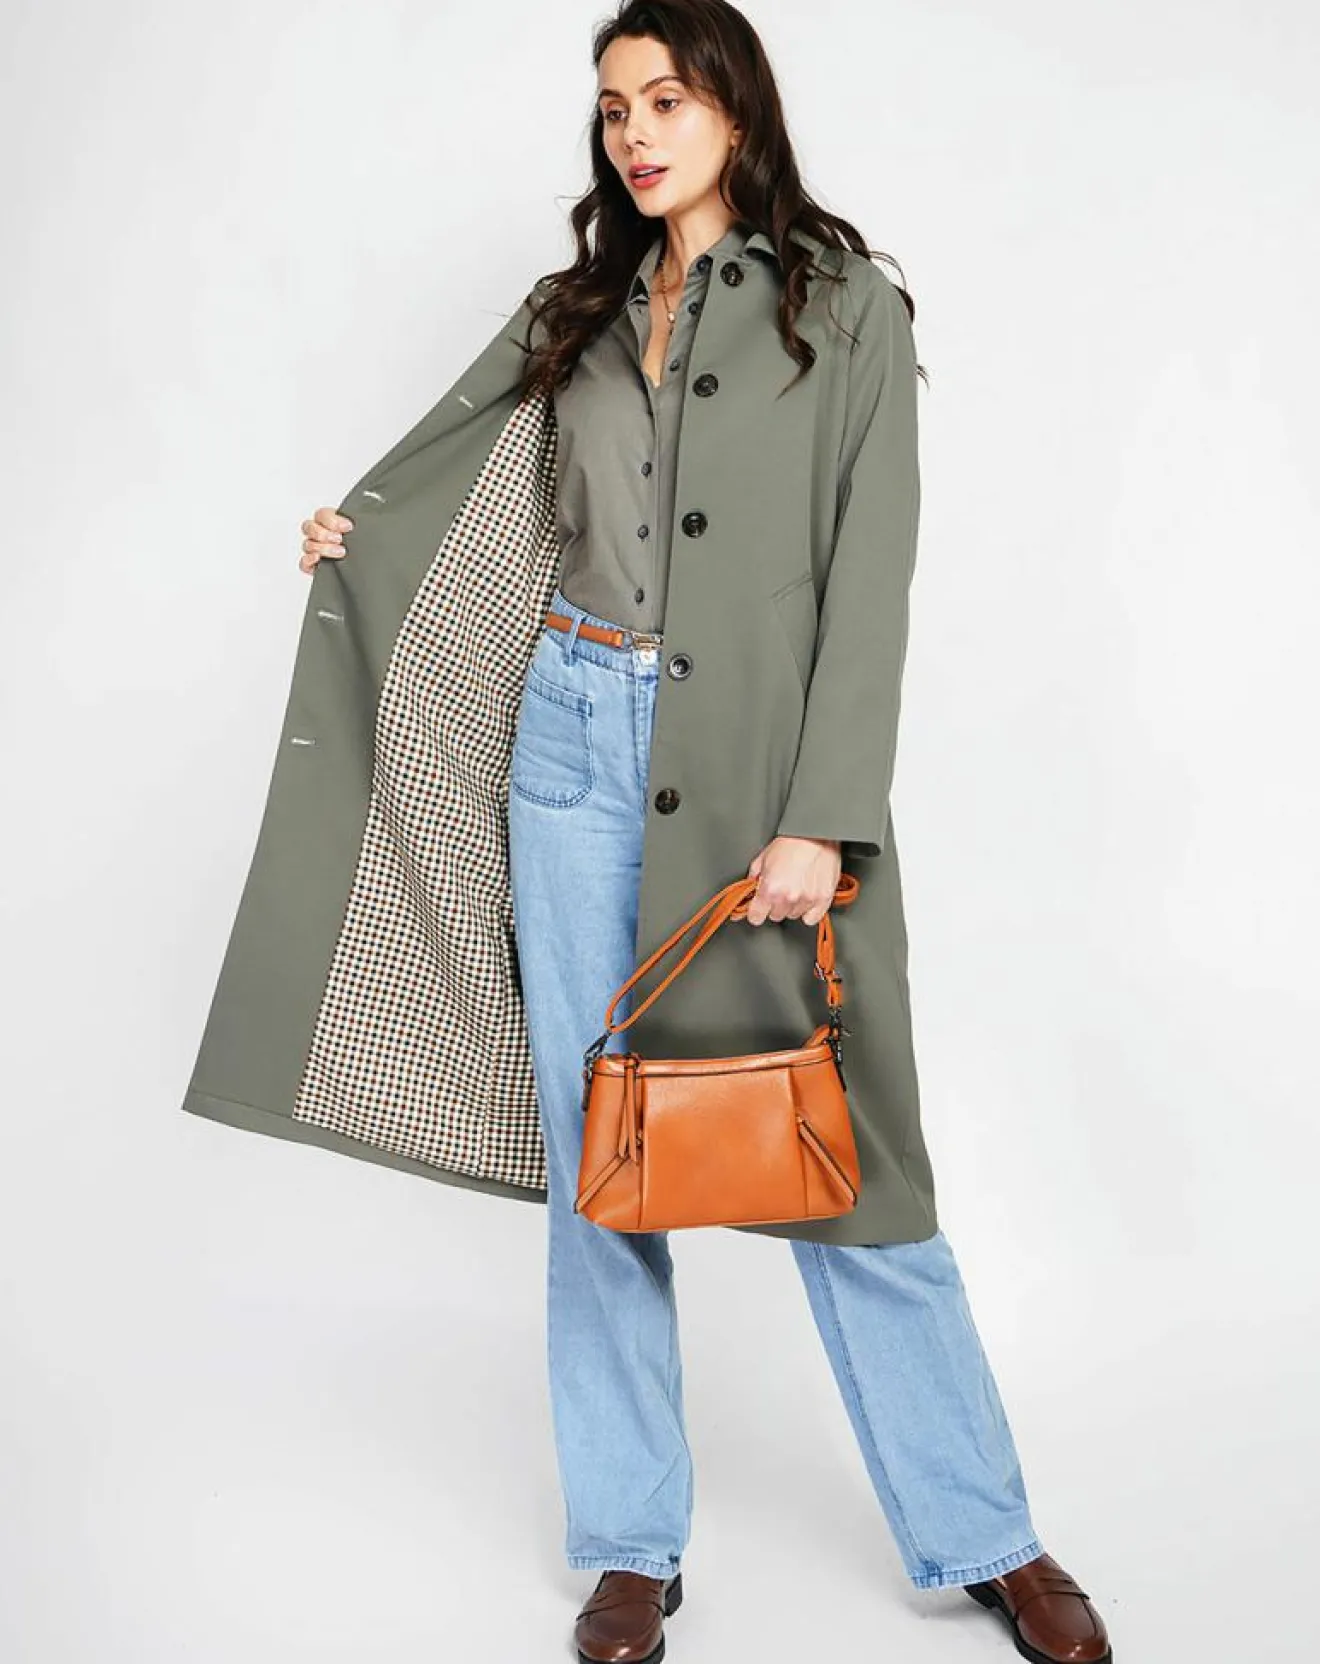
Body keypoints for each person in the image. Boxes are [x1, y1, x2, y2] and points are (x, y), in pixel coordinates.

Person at [286, 4, 1111, 1662]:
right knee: (603, 1155)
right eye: (614, 110)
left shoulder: (844, 306)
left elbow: (871, 577)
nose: (636, 135)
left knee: (845, 1149)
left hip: (756, 773)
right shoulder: (575, 314)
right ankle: (628, 1544)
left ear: (734, 107)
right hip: (570, 741)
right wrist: (355, 542)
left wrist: (825, 817)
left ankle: (988, 1535)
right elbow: (483, 500)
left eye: (665, 100)